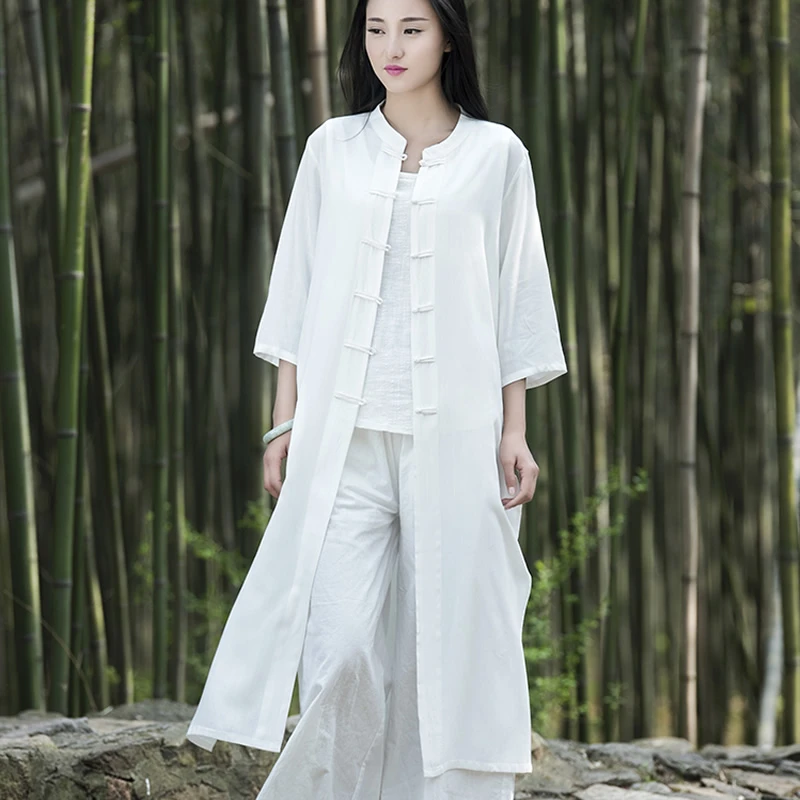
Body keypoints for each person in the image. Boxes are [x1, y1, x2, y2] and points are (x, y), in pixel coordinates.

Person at [186, 0, 567, 797]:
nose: (390, 47)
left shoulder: (497, 155)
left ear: (449, 37)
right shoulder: (332, 149)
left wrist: (515, 431)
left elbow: (516, 299)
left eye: (412, 29)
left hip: (457, 440)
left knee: (449, 654)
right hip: (343, 442)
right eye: (375, 29)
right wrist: (284, 422)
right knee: (342, 653)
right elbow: (295, 288)